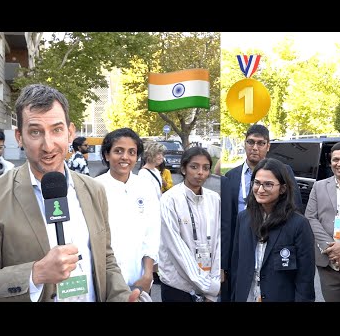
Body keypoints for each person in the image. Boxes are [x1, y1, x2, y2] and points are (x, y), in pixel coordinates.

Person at [0, 83, 141, 302]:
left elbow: (105, 259)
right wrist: (35, 274)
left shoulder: (94, 189)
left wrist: (122, 296)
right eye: (36, 132)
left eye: (57, 130)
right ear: (20, 137)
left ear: (70, 133)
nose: (48, 146)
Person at [223, 124, 303, 300]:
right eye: (250, 142)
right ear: (244, 144)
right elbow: (226, 224)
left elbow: (295, 207)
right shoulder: (230, 177)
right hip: (242, 245)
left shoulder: (284, 172)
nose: (254, 147)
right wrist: (224, 264)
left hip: (274, 242)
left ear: (268, 146)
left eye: (260, 143)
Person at [230, 158, 315, 302]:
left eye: (268, 184)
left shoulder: (299, 224)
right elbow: (236, 266)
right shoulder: (243, 218)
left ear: (282, 188)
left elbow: (305, 279)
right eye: (257, 183)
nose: (260, 189)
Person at [95, 127, 160, 295]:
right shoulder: (94, 187)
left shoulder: (145, 187)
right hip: (105, 284)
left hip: (140, 282)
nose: (125, 157)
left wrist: (147, 275)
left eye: (132, 152)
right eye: (118, 151)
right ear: (107, 155)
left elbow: (152, 234)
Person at [158, 147, 221, 302]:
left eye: (205, 168)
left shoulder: (214, 199)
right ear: (183, 169)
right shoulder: (169, 200)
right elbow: (175, 248)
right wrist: (209, 287)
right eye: (194, 167)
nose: (200, 172)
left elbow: (219, 241)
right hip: (178, 286)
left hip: (209, 284)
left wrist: (213, 285)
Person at [305, 141, 340, 302]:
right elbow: (310, 217)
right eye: (335, 159)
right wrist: (330, 248)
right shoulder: (319, 186)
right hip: (327, 264)